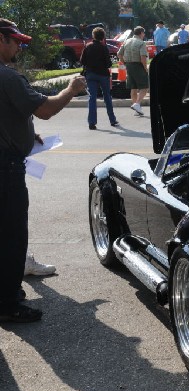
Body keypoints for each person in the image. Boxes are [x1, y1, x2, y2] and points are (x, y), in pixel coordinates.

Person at [0, 19, 86, 323]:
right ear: (1, 39)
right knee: (11, 236)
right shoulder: (8, 77)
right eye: (15, 41)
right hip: (6, 171)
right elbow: (46, 109)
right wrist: (71, 88)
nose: (20, 46)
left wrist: (24, 133)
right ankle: (8, 303)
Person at [80, 27, 119, 130]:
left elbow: (82, 61)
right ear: (103, 37)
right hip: (103, 75)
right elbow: (108, 63)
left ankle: (92, 122)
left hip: (90, 74)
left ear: (93, 36)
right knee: (107, 96)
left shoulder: (87, 46)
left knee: (92, 97)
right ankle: (112, 120)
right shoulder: (104, 48)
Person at [117, 26, 148, 116]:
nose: (144, 35)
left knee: (133, 88)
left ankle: (136, 109)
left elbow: (119, 54)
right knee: (144, 87)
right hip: (138, 65)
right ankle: (137, 104)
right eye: (144, 33)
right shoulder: (141, 43)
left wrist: (125, 63)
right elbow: (143, 58)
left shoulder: (127, 41)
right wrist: (146, 69)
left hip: (129, 65)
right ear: (141, 33)